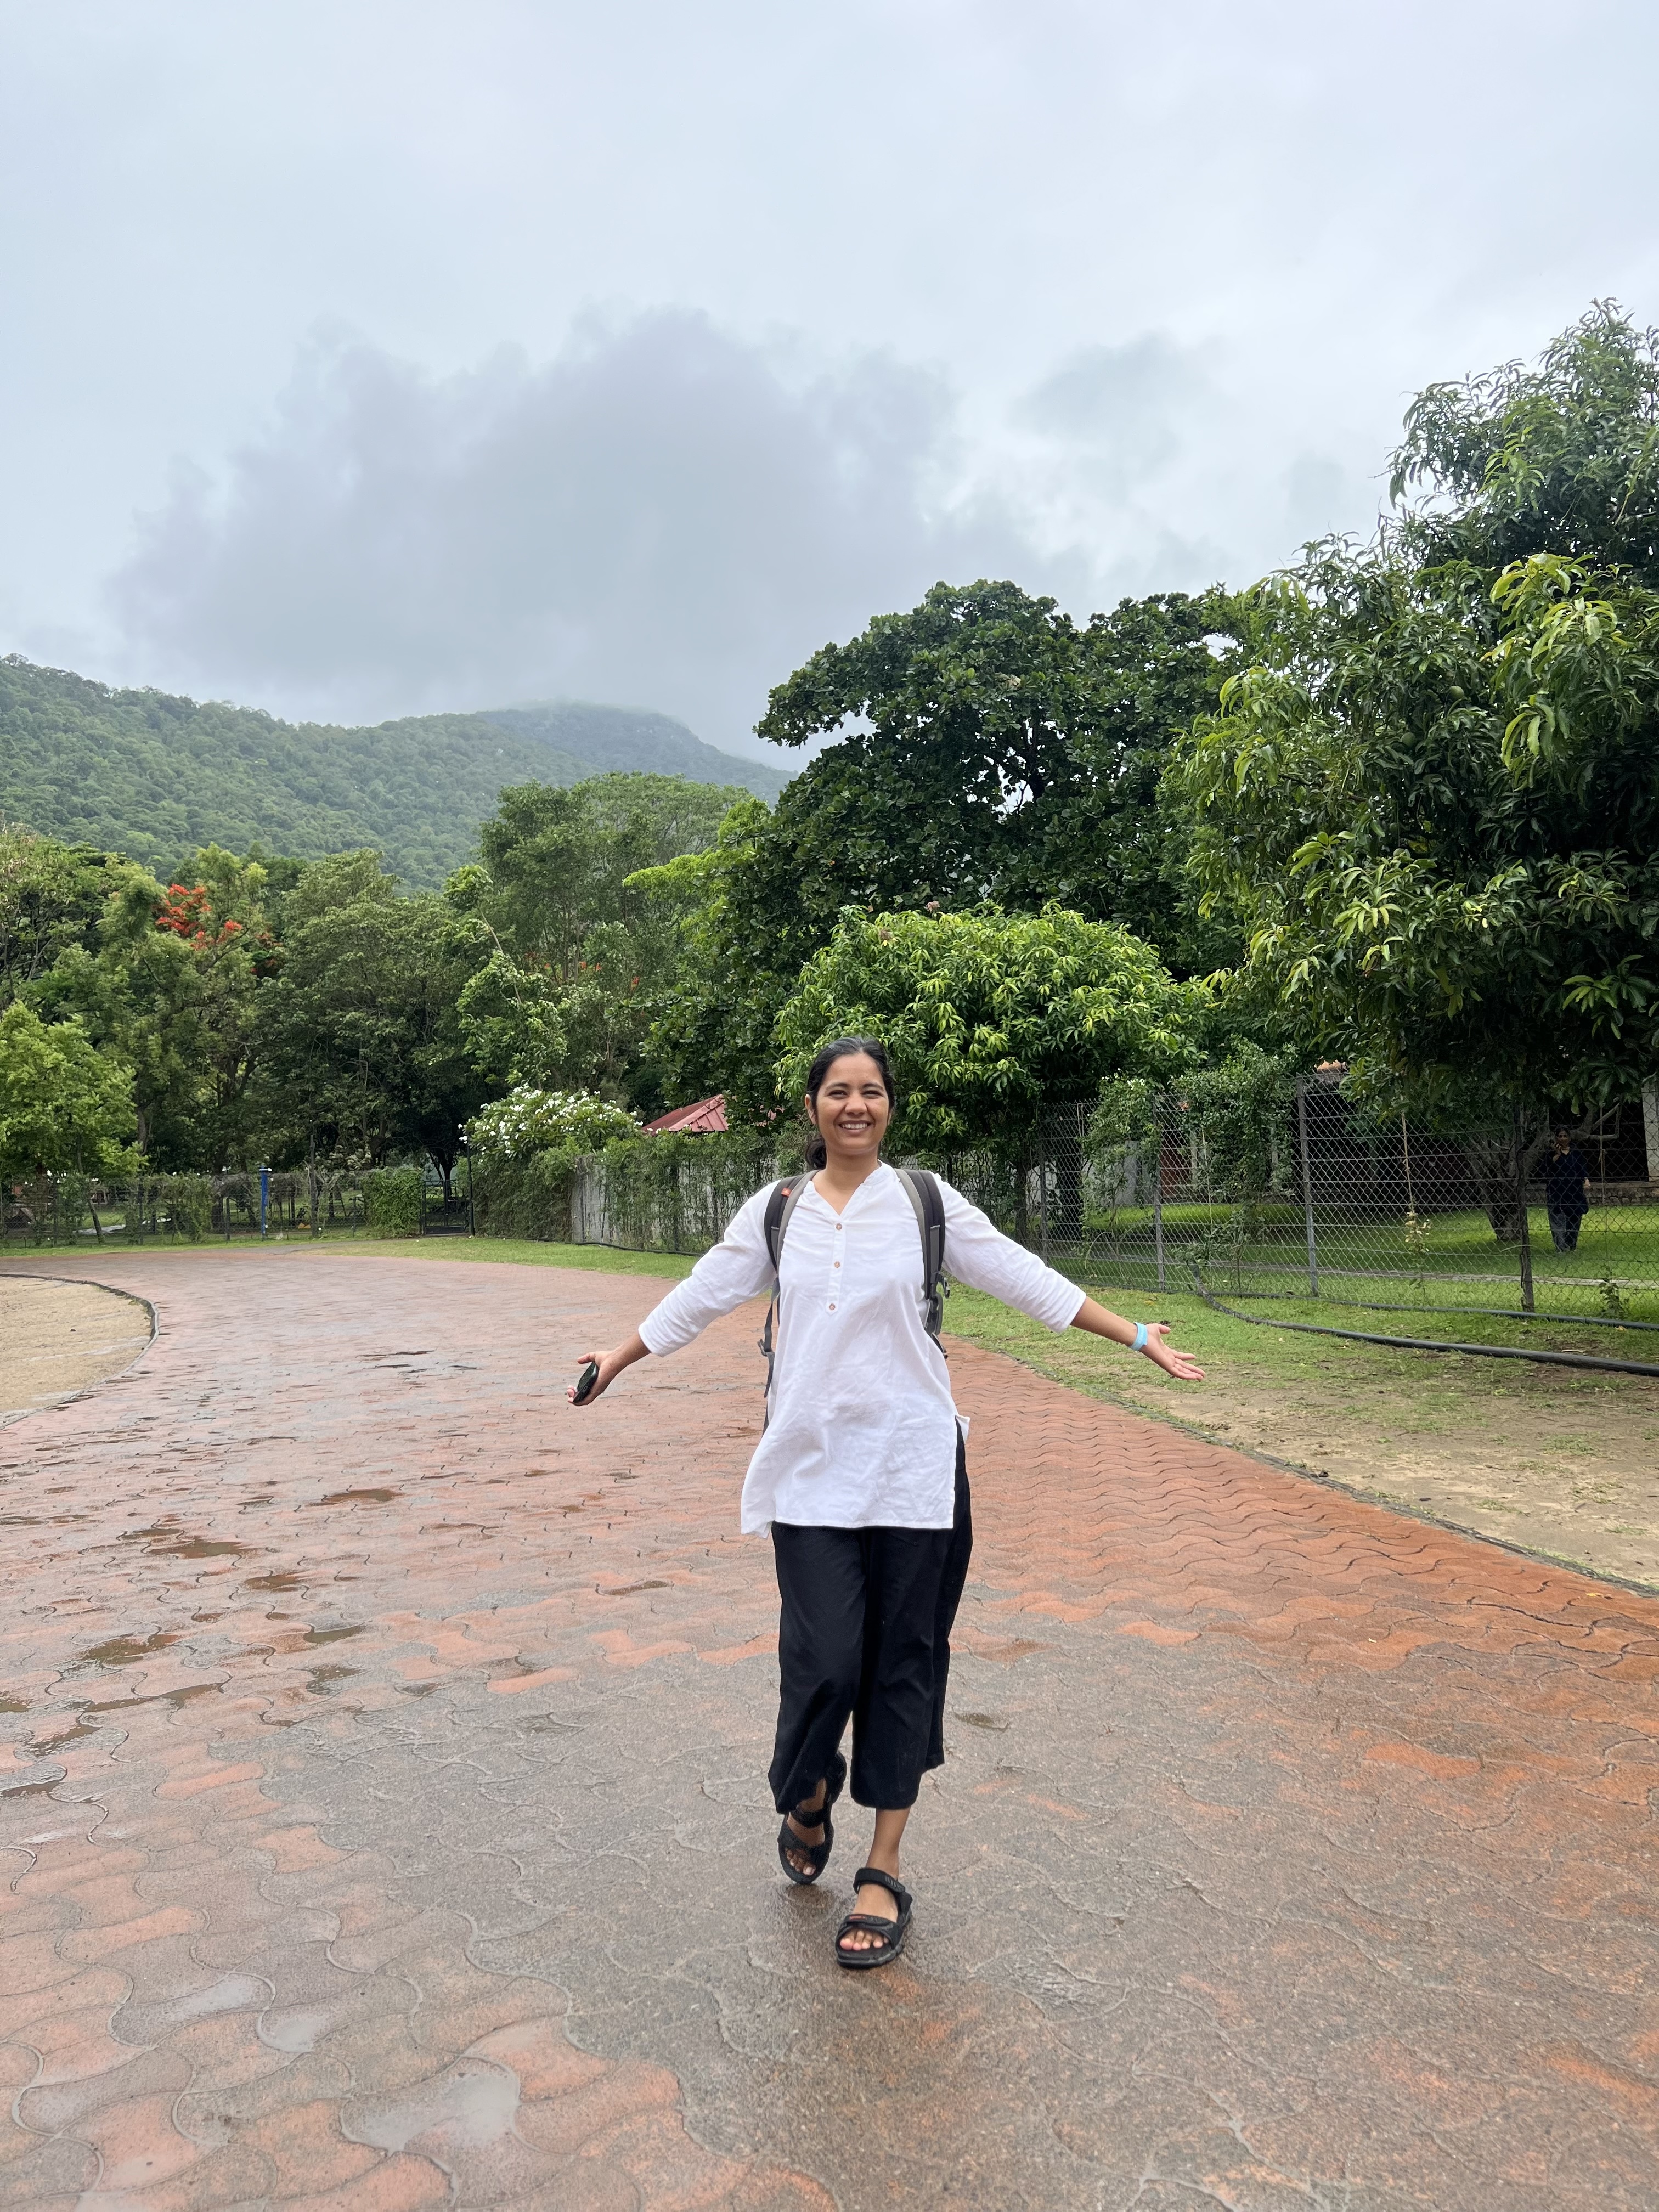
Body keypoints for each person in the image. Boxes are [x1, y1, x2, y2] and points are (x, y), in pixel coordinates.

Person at [569, 1037, 1204, 1968]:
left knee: (903, 1662)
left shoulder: (923, 1203)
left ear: (889, 1108)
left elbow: (1024, 1277)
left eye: (870, 1091)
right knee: (824, 1660)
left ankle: (883, 1865)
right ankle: (806, 1785)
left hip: (913, 1469)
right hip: (811, 1472)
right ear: (811, 1105)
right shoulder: (778, 1210)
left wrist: (1135, 1333)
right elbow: (704, 1291)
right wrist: (616, 1357)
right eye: (838, 1091)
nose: (854, 1105)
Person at [1543, 1124, 1591, 1252]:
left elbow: (1582, 1168)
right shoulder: (1550, 1153)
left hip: (1574, 1192)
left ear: (1569, 1138)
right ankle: (1561, 1247)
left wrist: (1586, 1179)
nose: (1563, 1139)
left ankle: (1571, 1245)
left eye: (1565, 1136)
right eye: (1560, 1136)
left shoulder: (1576, 1152)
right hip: (1556, 1192)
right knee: (1558, 1220)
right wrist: (1558, 1154)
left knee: (1574, 1219)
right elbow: (1547, 1171)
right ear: (1556, 1137)